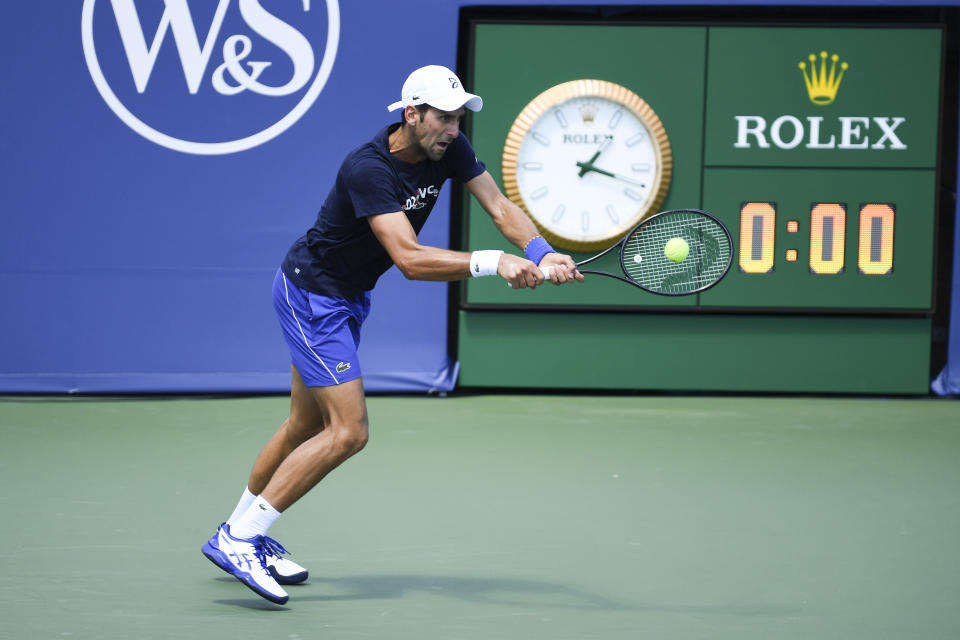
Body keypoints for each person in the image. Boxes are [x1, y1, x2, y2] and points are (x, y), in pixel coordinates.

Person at [201, 64, 583, 605]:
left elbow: (499, 207)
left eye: (457, 118)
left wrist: (541, 253)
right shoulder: (368, 169)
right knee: (349, 431)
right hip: (313, 297)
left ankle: (237, 531)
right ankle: (241, 538)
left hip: (347, 298)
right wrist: (495, 263)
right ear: (412, 114)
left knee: (303, 425)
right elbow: (407, 258)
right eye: (443, 118)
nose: (453, 129)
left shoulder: (449, 149)